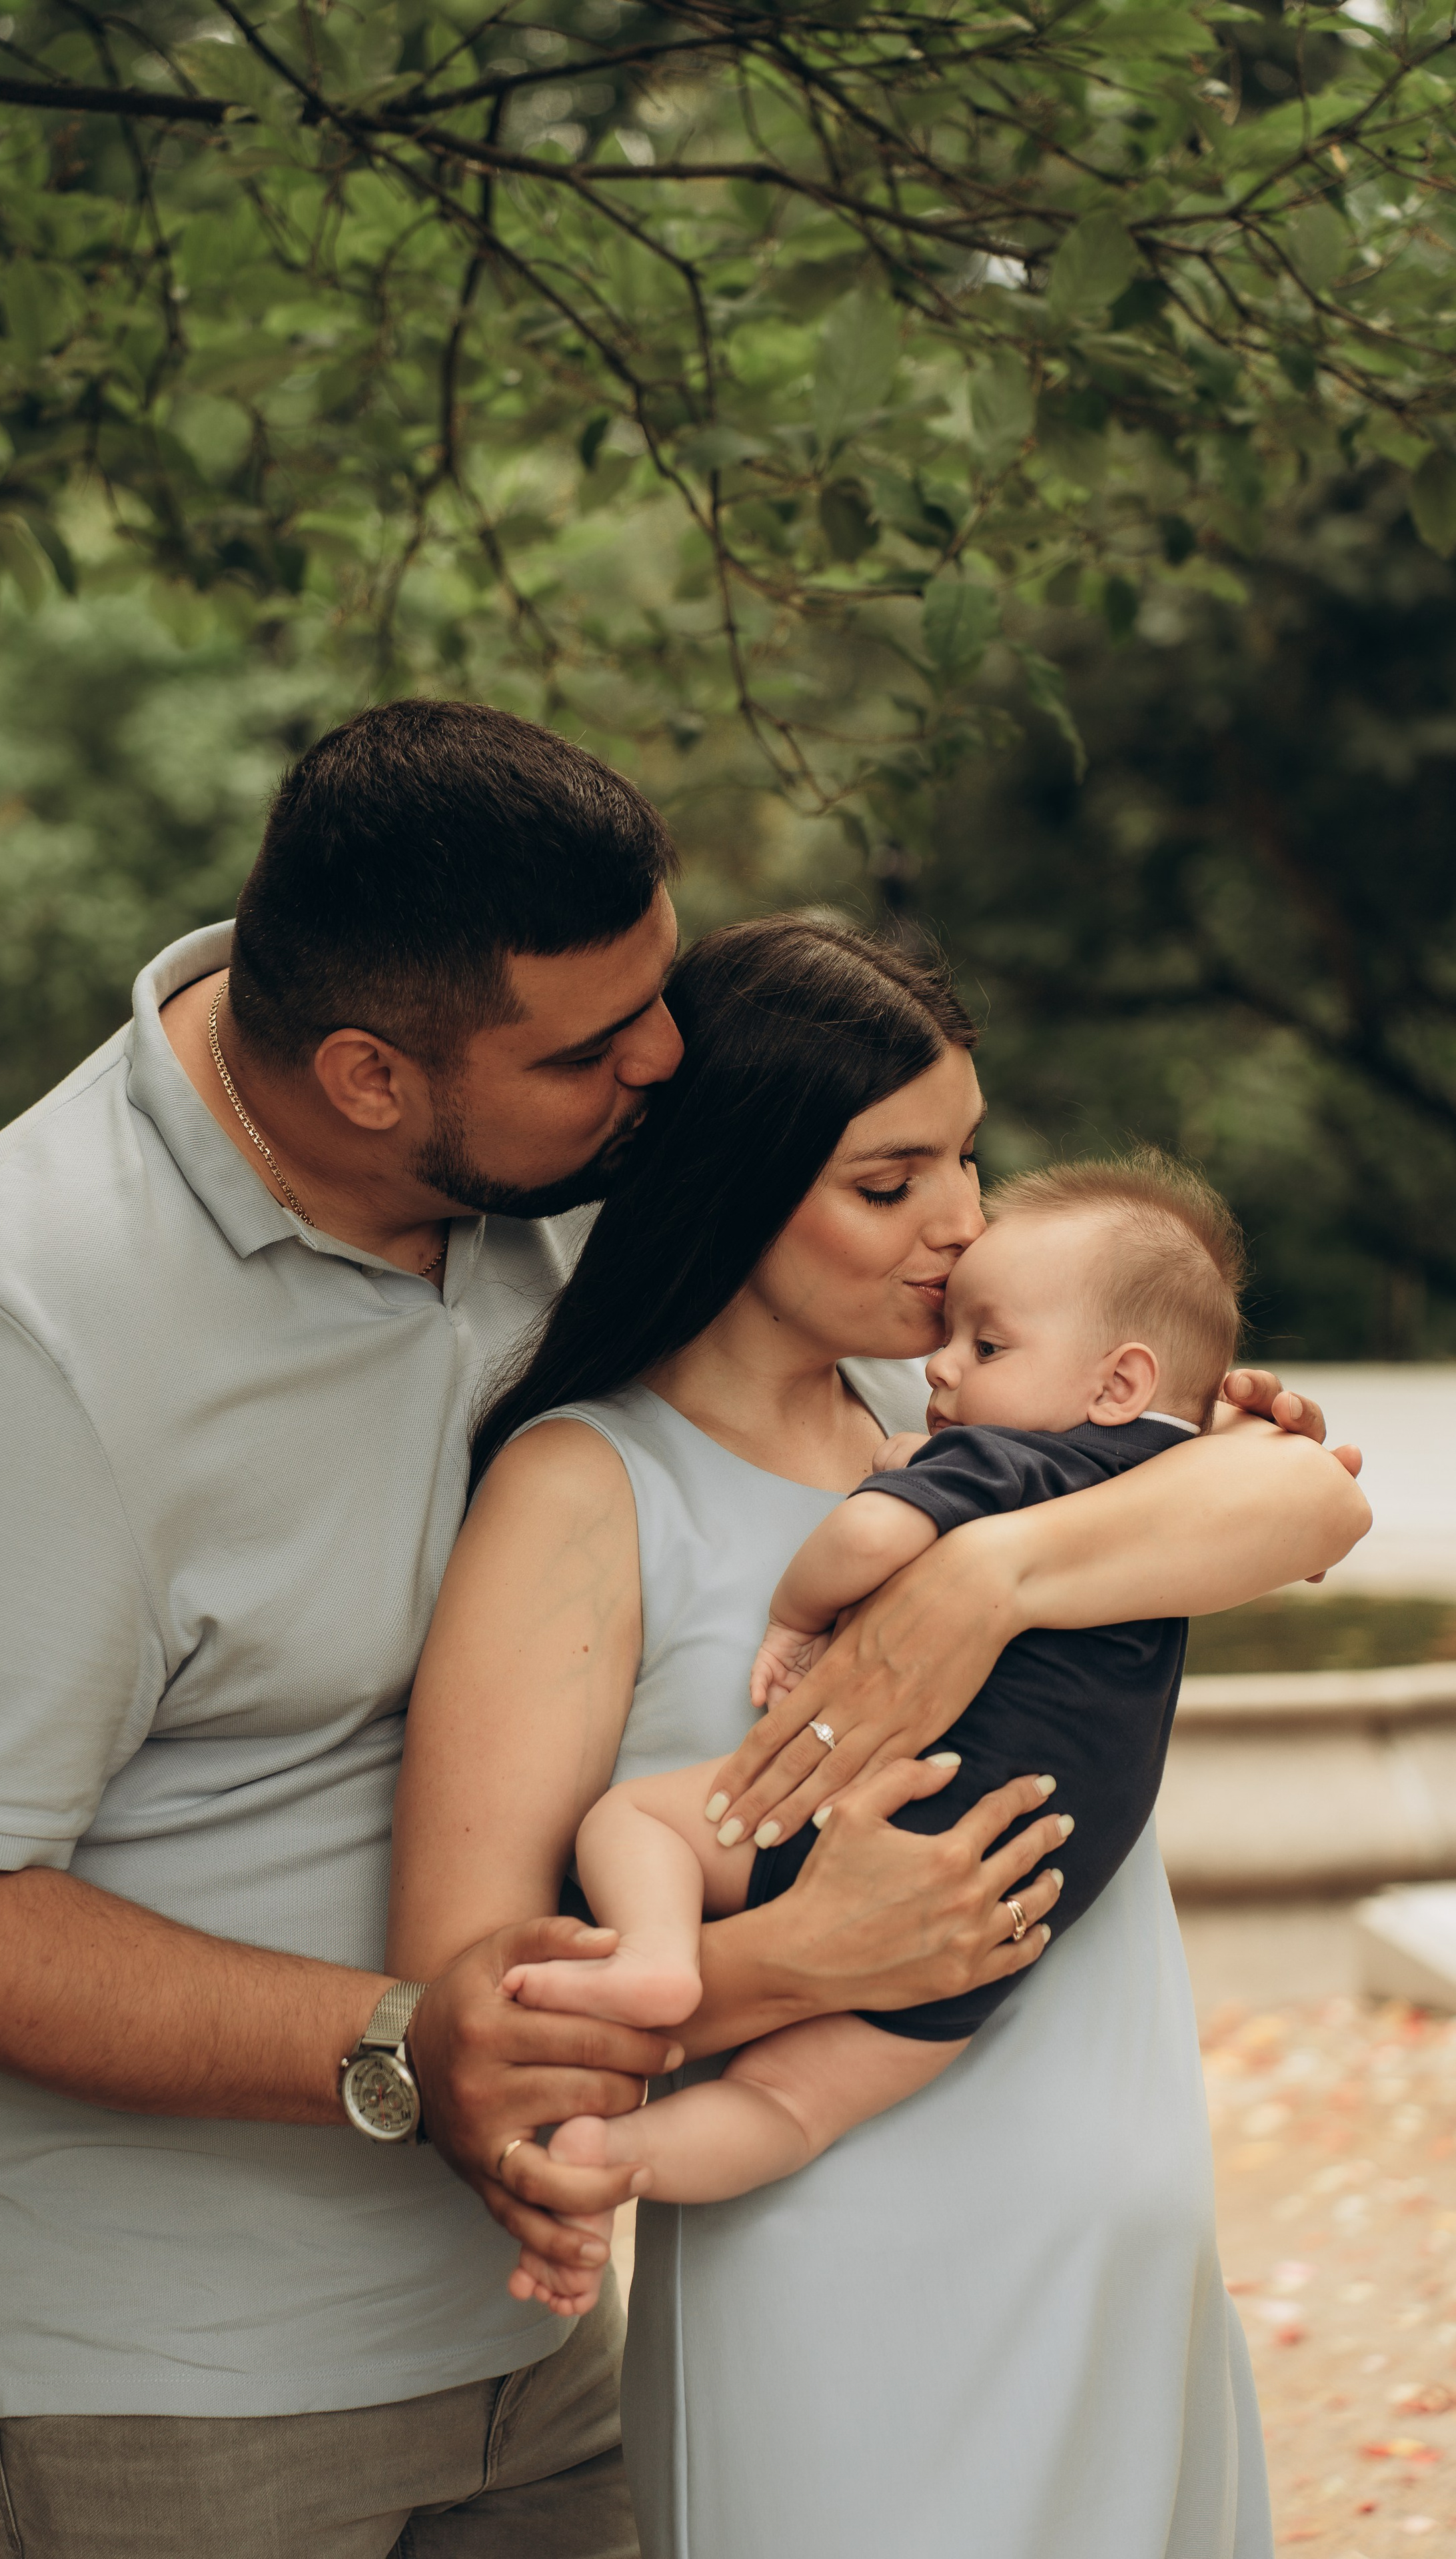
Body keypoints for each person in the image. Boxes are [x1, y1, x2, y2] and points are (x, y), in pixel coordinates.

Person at [0, 703, 1147, 2559]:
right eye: (598, 1045)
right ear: (371, 1076)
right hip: (157, 2379)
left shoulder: (551, 1186)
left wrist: (1054, 1534)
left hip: (529, 2329)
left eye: (662, 994)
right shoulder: (16, 1337)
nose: (665, 1064)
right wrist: (398, 2042)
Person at [390, 916, 1370, 2559]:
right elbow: (468, 2009)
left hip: (1118, 2232)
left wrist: (984, 1574)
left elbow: (1309, 1504)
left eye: (968, 1162)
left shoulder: (983, 1429)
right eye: (887, 1180)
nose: (961, 1226)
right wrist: (792, 1960)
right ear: (733, 1178)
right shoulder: (585, 1483)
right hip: (840, 2266)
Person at [498, 1152, 1273, 2314]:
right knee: (792, 2110)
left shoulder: (1006, 1460)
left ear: (1116, 1384)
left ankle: (656, 1959)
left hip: (870, 1825)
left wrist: (797, 1614)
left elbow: (863, 1543)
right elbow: (1308, 1502)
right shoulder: (1177, 1484)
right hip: (1005, 1911)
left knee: (637, 1818)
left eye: (986, 1348)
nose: (942, 1368)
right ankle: (618, 2164)